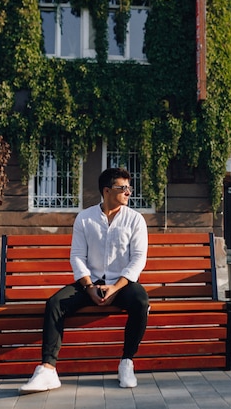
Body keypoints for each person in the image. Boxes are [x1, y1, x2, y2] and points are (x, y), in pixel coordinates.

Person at [19, 167, 150, 394]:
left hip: (121, 284)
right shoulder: (85, 218)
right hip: (90, 283)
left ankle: (126, 362)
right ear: (107, 190)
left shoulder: (135, 220)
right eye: (123, 188)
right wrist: (89, 287)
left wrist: (116, 287)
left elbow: (138, 259)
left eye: (130, 188)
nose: (129, 192)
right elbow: (77, 256)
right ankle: (47, 370)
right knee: (55, 303)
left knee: (141, 300)